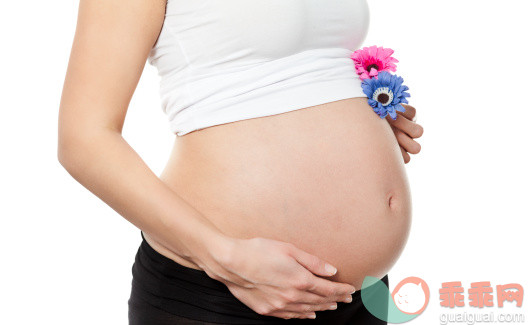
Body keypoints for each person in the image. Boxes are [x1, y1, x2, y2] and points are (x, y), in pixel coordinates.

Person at [58, 0, 423, 324]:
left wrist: (357, 103)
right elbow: (84, 139)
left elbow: (296, 60)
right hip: (227, 290)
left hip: (359, 297)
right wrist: (223, 256)